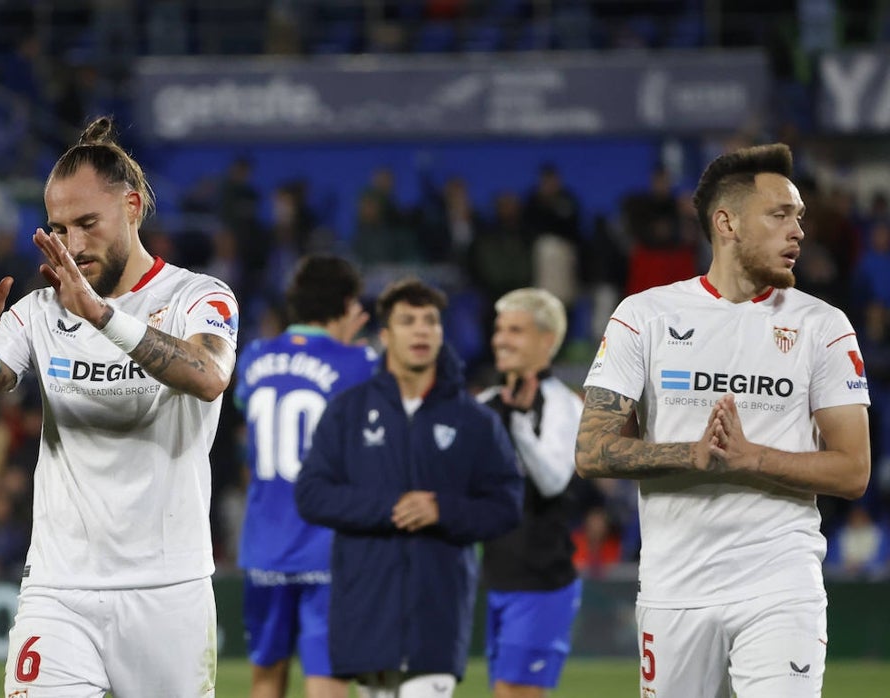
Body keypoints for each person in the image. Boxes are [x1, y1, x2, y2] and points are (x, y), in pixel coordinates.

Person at [0, 116, 238, 697]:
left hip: (167, 591)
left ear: (134, 207)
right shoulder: (41, 312)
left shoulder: (198, 296)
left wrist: (102, 315)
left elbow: (209, 375)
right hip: (58, 589)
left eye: (88, 224)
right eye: (59, 228)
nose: (72, 245)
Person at [576, 143, 871, 697]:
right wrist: (690, 453)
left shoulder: (824, 326)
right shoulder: (644, 317)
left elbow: (854, 471)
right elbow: (592, 450)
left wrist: (750, 457)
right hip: (674, 589)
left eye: (799, 217)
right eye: (780, 215)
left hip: (781, 584)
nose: (798, 232)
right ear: (726, 222)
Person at [296, 278, 524, 698]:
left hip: (436, 618)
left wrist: (443, 510)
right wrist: (389, 507)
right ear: (386, 336)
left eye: (430, 321)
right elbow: (311, 494)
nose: (421, 331)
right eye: (408, 321)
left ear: (441, 333)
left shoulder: (474, 420)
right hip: (367, 612)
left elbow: (507, 505)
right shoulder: (349, 411)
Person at [236, 254, 376, 698]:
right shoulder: (361, 363)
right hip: (328, 547)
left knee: (265, 679)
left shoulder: (255, 357)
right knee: (328, 679)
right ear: (349, 305)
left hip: (265, 546)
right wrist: (347, 347)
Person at [477, 287, 584, 698]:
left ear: (546, 341)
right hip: (499, 576)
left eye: (515, 330)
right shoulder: (486, 403)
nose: (500, 339)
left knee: (514, 692)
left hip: (542, 578)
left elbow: (554, 479)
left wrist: (520, 425)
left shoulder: (562, 404)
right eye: (500, 329)